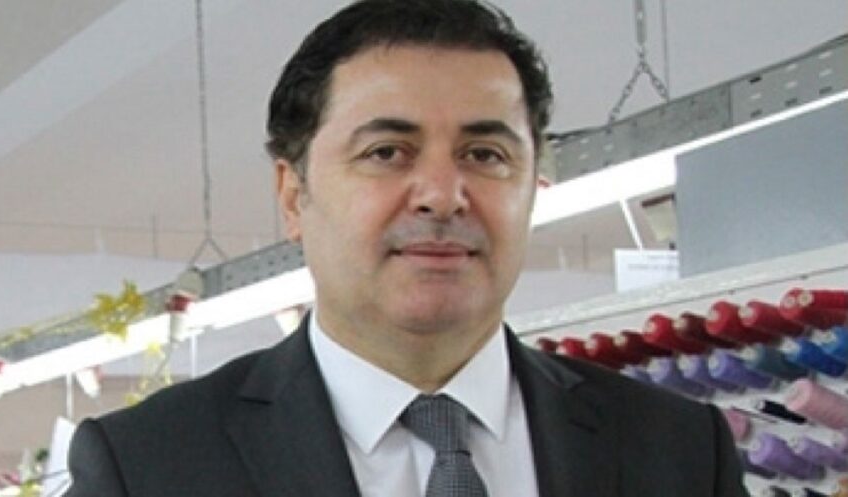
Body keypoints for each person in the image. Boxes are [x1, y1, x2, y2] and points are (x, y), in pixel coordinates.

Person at [63, 1, 750, 496]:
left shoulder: (679, 452)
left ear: (533, 183)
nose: (443, 195)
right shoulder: (149, 468)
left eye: (485, 154)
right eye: (387, 152)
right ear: (293, 193)